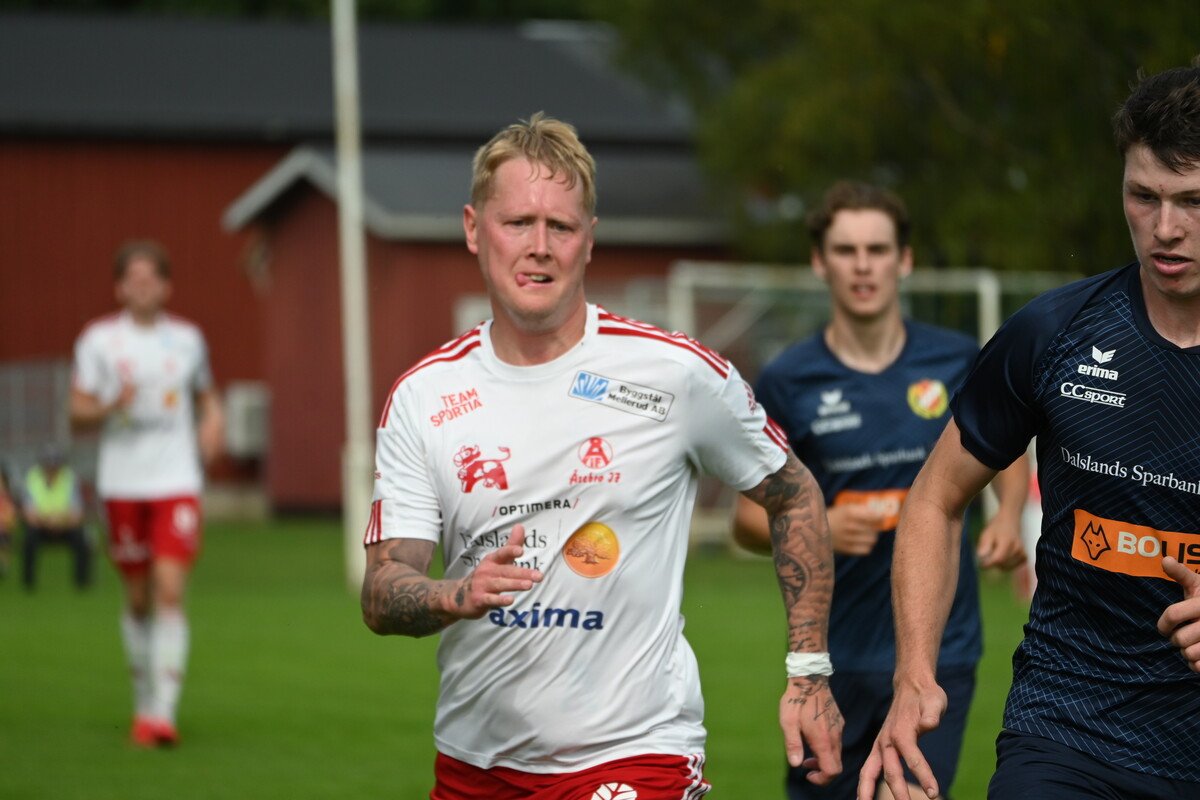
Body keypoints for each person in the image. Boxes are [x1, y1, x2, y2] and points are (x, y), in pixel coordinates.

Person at [360, 112, 843, 799]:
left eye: (560, 227)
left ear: (588, 239)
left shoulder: (674, 374)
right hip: (474, 765)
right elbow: (382, 590)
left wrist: (809, 672)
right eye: (517, 222)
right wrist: (454, 594)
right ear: (473, 229)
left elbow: (792, 493)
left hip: (635, 754)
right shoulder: (424, 396)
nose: (539, 247)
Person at [860, 59, 1200, 800]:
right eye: (1143, 197)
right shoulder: (1053, 333)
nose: (1165, 229)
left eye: (1193, 202)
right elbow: (935, 499)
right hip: (1067, 727)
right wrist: (914, 673)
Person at [731, 181, 1028, 800]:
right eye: (846, 250)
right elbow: (746, 521)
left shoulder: (957, 359)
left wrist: (1007, 515)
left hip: (939, 651)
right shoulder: (788, 380)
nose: (862, 265)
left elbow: (1001, 447)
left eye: (877, 249)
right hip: (830, 656)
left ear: (904, 259)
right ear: (820, 262)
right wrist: (823, 526)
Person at [69, 240, 224, 748]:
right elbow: (76, 411)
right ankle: (142, 700)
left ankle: (163, 714)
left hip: (176, 480)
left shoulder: (187, 339)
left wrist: (213, 424)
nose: (142, 286)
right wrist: (112, 404)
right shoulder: (98, 340)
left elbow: (207, 396)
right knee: (137, 599)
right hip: (122, 482)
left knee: (170, 591)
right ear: (119, 288)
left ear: (165, 286)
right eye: (132, 278)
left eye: (150, 277)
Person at [20, 444, 92, 591]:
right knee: (29, 538)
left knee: (81, 538)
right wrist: (47, 521)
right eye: (49, 465)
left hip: (65, 525)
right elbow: (28, 514)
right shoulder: (32, 479)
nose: (52, 469)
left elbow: (77, 514)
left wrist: (61, 520)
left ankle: (81, 583)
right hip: (40, 526)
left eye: (55, 465)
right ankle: (28, 583)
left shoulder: (69, 478)